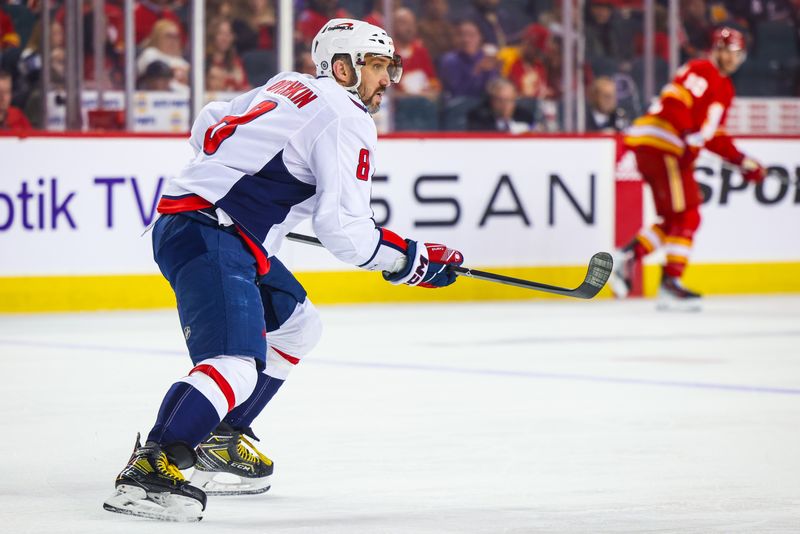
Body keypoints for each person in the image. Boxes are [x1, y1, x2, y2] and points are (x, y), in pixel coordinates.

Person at [103, 17, 464, 522]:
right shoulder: (346, 115)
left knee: (298, 325)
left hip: (208, 226)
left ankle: (219, 436)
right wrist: (412, 262)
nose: (388, 78)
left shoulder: (287, 85)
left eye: (389, 66)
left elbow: (208, 122)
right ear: (343, 68)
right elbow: (346, 233)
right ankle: (150, 468)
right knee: (234, 363)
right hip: (213, 233)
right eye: (377, 66)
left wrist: (237, 182)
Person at [614, 27, 766, 311]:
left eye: (737, 54)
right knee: (688, 214)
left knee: (677, 218)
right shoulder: (701, 70)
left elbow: (713, 136)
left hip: (671, 151)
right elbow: (675, 99)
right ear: (717, 50)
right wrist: (686, 132)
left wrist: (743, 162)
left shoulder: (725, 89)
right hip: (664, 144)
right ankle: (669, 282)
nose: (733, 59)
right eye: (730, 52)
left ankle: (629, 256)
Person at [439, 19, 500, 98]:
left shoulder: (487, 57)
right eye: (461, 35)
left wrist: (492, 71)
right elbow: (457, 93)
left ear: (480, 37)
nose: (466, 39)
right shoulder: (449, 61)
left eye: (471, 35)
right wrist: (477, 70)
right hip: (461, 106)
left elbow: (494, 89)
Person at [467, 77, 534, 133]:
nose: (505, 104)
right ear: (492, 100)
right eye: (500, 100)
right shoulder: (479, 119)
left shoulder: (525, 117)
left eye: (509, 100)